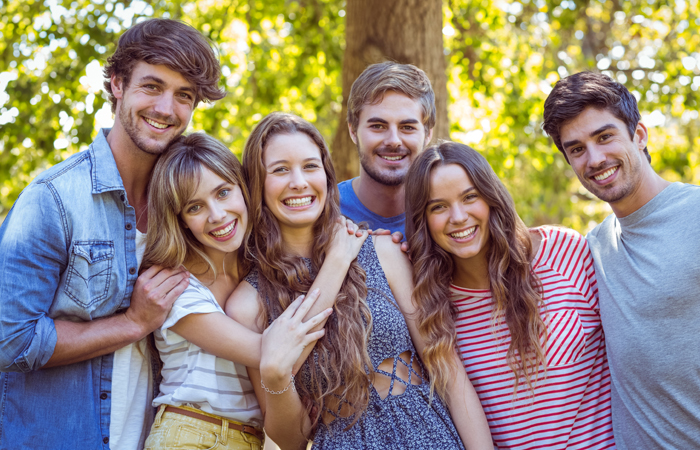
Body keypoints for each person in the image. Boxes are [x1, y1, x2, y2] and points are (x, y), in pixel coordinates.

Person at [0, 19, 224, 449]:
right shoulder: (54, 199)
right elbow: (12, 340)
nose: (166, 108)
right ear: (118, 84)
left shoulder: (185, 207)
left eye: (184, 96)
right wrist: (133, 323)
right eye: (152, 86)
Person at [227, 112, 492, 450]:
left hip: (428, 436)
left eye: (310, 166)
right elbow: (291, 440)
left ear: (326, 174)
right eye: (280, 170)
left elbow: (447, 369)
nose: (299, 182)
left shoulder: (381, 251)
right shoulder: (247, 303)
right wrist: (277, 377)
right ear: (256, 184)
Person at [404, 142, 615, 449]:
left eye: (470, 197)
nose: (459, 216)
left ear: (491, 198)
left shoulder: (564, 252)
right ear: (422, 220)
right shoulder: (431, 304)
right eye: (438, 207)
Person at [139, 133, 339, 450]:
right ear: (180, 220)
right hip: (191, 435)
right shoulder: (176, 286)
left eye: (223, 192)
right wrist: (339, 261)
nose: (217, 215)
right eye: (195, 207)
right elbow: (272, 357)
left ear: (243, 189)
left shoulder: (258, 273)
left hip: (249, 440)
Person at [543, 71, 700, 449]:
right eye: (577, 148)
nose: (595, 158)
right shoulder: (592, 248)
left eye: (605, 136)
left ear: (640, 135)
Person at [338, 61, 435, 234]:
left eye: (407, 127)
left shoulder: (446, 215)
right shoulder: (323, 212)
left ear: (428, 134)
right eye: (378, 126)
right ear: (353, 130)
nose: (393, 141)